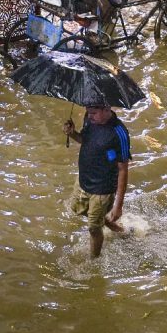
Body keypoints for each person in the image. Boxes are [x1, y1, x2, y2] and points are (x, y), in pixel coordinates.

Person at [62, 106, 132, 258]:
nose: (90, 115)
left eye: (94, 113)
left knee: (93, 228)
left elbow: (123, 169)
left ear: (106, 109)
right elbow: (85, 140)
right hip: (83, 179)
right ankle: (116, 228)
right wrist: (72, 133)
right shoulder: (89, 118)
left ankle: (93, 261)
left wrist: (118, 206)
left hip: (102, 188)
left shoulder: (119, 132)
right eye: (89, 111)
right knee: (78, 209)